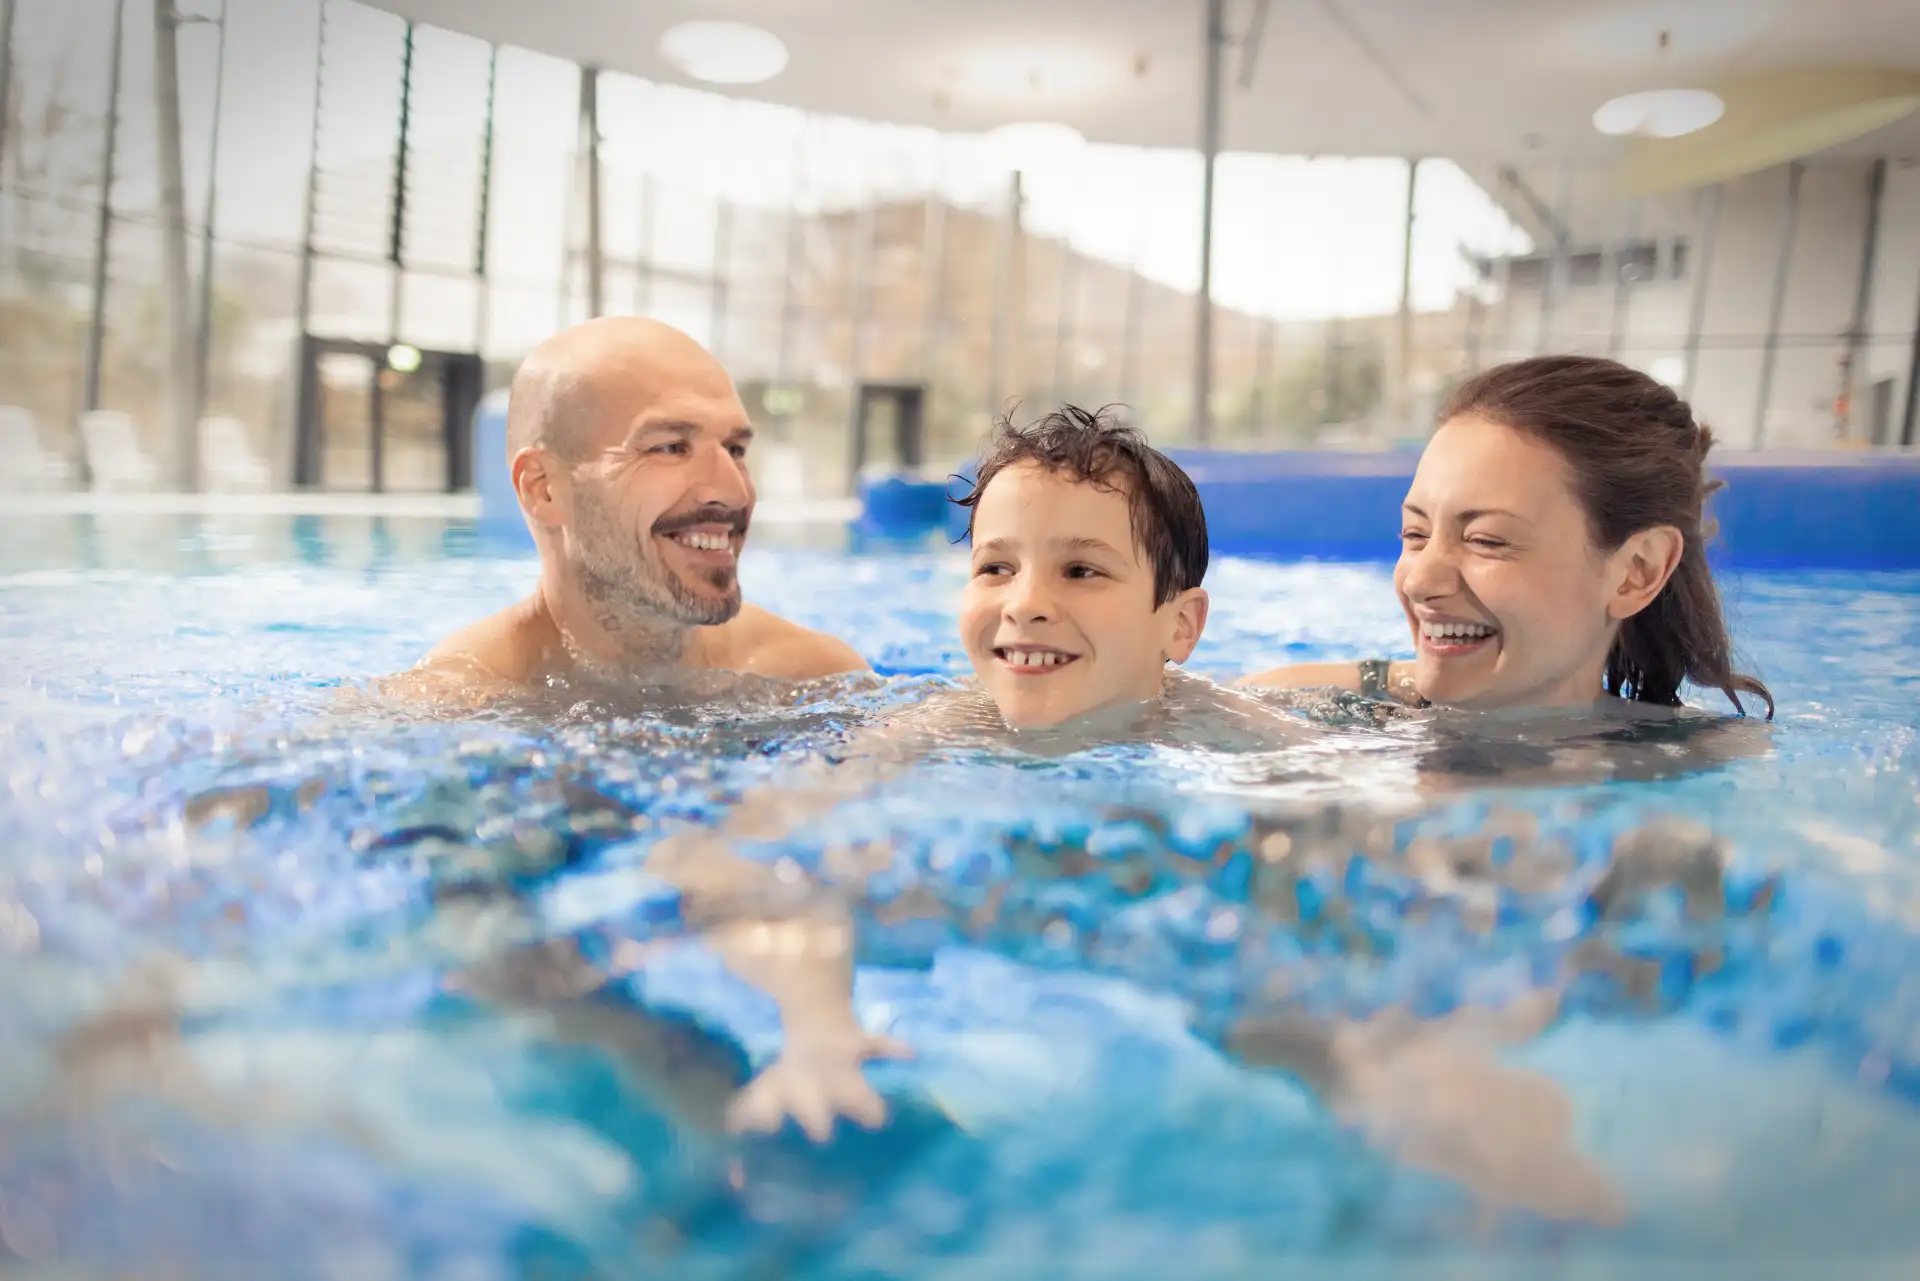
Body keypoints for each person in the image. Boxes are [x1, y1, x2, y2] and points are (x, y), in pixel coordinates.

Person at [1240, 355, 1774, 721]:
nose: (1420, 580)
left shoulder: (1699, 777)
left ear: (1638, 572)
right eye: (1415, 533)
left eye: (1487, 540)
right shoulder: (1303, 711)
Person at [409, 316, 865, 700]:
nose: (732, 491)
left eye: (735, 449)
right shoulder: (459, 703)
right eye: (670, 447)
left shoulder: (813, 677)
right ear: (543, 489)